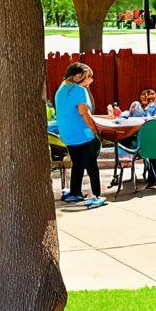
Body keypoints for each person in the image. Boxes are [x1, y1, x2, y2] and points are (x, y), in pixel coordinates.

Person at [54, 62, 106, 208]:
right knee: (91, 166)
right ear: (78, 76)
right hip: (82, 133)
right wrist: (95, 132)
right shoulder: (78, 90)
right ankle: (97, 195)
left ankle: (75, 192)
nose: (91, 80)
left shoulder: (61, 89)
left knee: (77, 164)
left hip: (67, 135)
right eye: (89, 76)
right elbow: (84, 112)